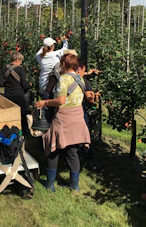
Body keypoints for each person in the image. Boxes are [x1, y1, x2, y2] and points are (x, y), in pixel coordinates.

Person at [35, 54, 91, 192]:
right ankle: (74, 185)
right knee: (72, 151)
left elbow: (60, 100)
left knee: (53, 150)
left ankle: (50, 185)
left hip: (63, 118)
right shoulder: (81, 80)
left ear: (64, 65)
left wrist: (45, 102)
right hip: (77, 118)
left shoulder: (63, 79)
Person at [0, 52, 32, 135]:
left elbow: (0, 83)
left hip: (8, 96)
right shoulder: (20, 69)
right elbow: (24, 85)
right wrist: (30, 85)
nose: (21, 63)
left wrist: (8, 84)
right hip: (19, 96)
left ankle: (10, 134)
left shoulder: (4, 69)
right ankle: (23, 135)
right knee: (23, 116)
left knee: (10, 117)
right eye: (21, 61)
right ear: (17, 60)